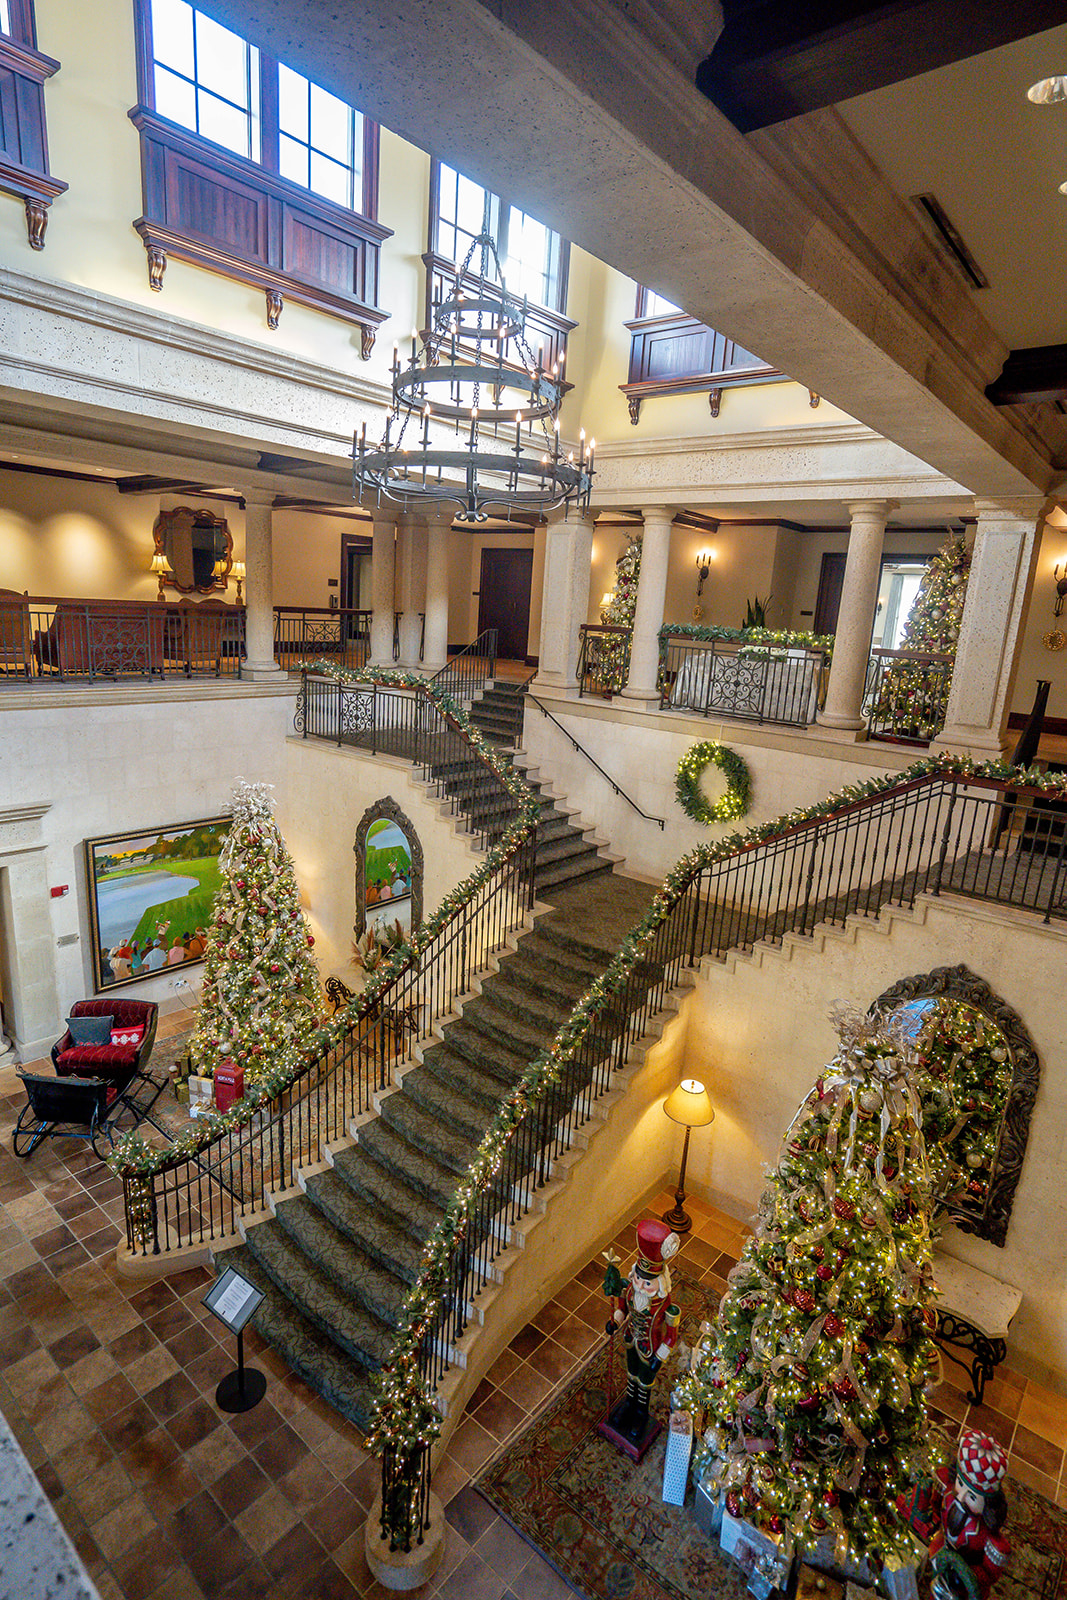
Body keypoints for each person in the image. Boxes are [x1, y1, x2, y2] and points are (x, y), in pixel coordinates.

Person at [602, 1218, 681, 1445]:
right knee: (631, 1375)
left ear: (660, 1283)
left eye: (647, 1283)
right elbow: (622, 1310)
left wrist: (660, 1357)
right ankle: (628, 1404)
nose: (640, 1285)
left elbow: (671, 1336)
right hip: (631, 1341)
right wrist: (615, 1323)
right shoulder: (629, 1291)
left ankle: (640, 1413)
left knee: (644, 1382)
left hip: (651, 1350)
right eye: (638, 1279)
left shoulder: (665, 1306)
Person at [929, 1429, 1011, 1600]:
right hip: (940, 1557)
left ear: (987, 1504)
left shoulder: (990, 1540)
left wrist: (963, 1574)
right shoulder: (947, 1493)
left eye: (972, 1497)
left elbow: (989, 1575)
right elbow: (935, 1512)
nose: (960, 1498)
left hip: (964, 1586)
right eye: (960, 1484)